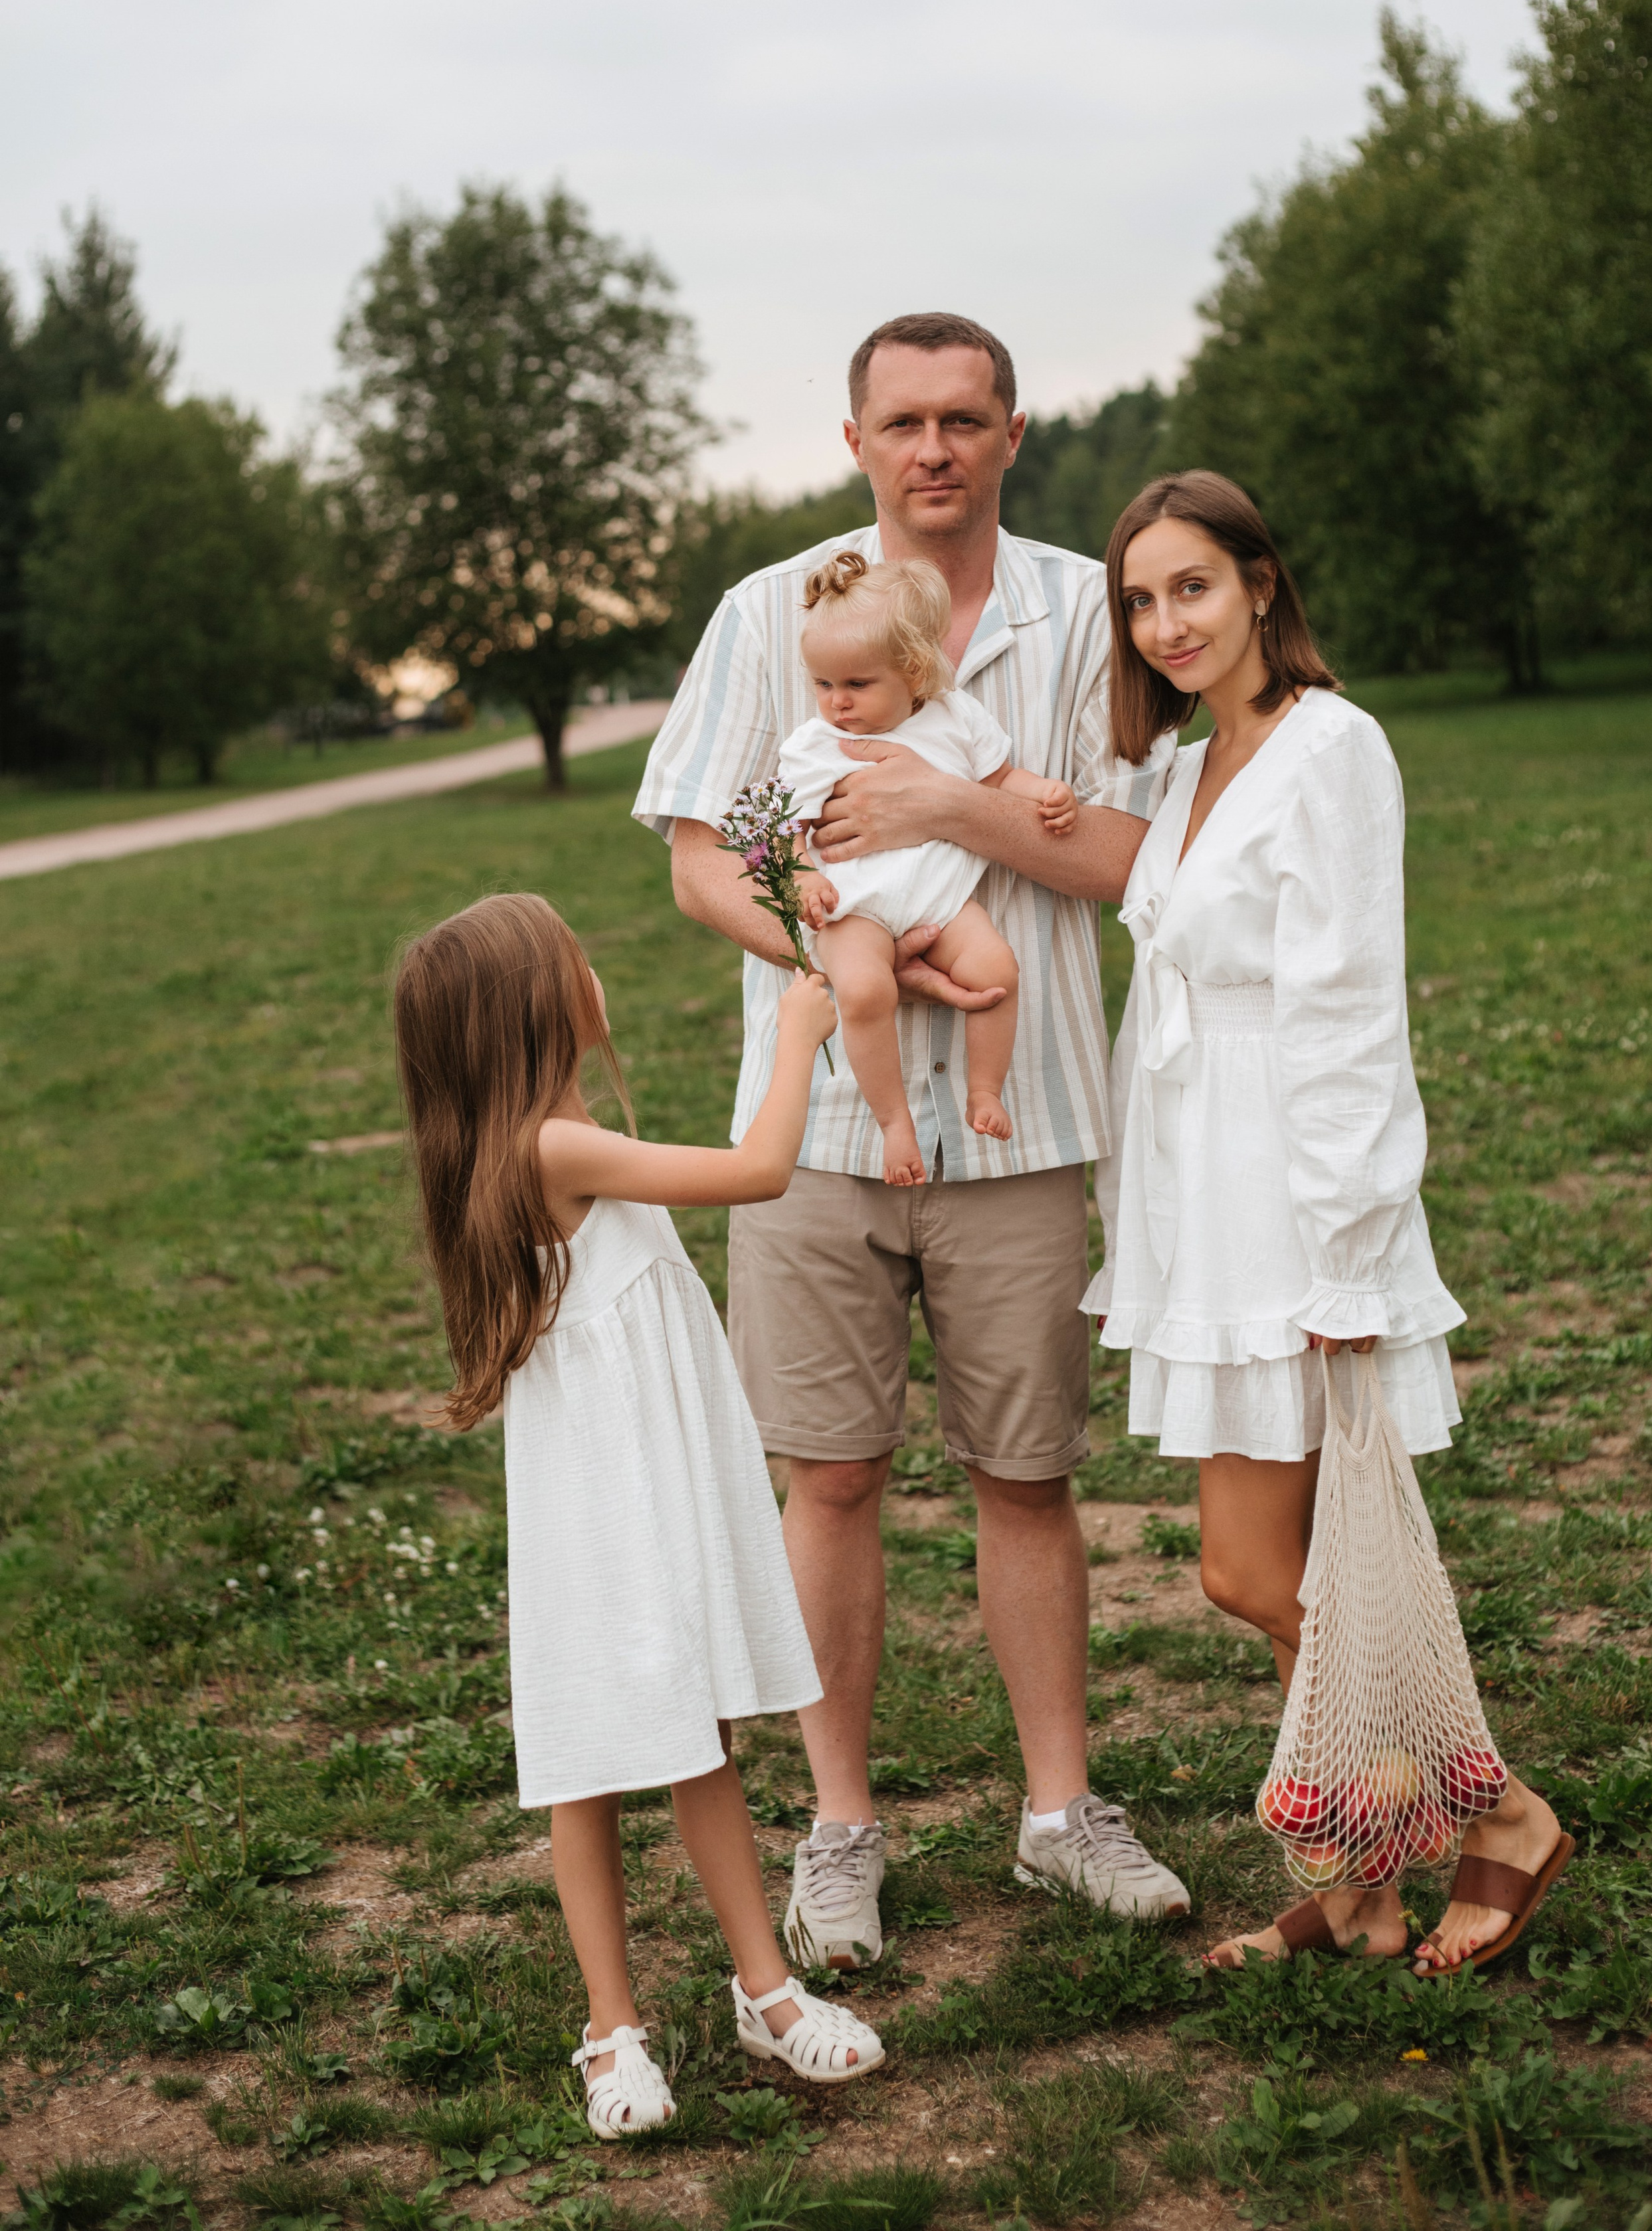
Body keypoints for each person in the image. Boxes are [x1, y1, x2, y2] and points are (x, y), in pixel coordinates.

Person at [636, 311, 1187, 1972]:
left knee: (1025, 1473)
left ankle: (1058, 1813)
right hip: (810, 1128)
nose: (932, 447)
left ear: (1012, 432)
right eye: (903, 421)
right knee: (830, 1475)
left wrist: (951, 810)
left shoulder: (1092, 611)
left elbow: (1134, 858)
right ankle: (839, 1830)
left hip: (1027, 1126)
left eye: (964, 418)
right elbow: (698, 854)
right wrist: (829, 954)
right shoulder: (773, 613)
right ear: (858, 438)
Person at [1088, 470, 1569, 1975]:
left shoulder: (1329, 747)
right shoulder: (1179, 773)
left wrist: (1348, 1247)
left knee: (1288, 1565)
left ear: (1258, 586)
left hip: (1298, 1189)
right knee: (1262, 1568)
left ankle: (1496, 1820)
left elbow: (1348, 1007)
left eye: (1190, 586)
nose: (1165, 621)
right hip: (1201, 1190)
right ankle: (1362, 1863)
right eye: (1138, 599)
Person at [392, 893, 885, 2137]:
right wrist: (795, 1036)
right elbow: (760, 1171)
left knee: (689, 1731)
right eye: (577, 962)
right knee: (599, 1753)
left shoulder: (550, 1138)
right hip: (610, 1500)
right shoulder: (556, 1150)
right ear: (538, 1013)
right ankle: (613, 2032)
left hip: (639, 1480)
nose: (594, 972)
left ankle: (760, 1993)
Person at [784, 548, 1079, 1183]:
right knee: (864, 990)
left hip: (939, 900)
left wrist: (1042, 793)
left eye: (857, 684)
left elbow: (999, 775)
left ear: (916, 673)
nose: (836, 703)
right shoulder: (816, 746)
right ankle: (894, 1123)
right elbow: (785, 831)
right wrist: (803, 876)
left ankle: (985, 1091)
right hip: (854, 904)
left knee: (996, 969)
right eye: (824, 685)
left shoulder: (956, 719)